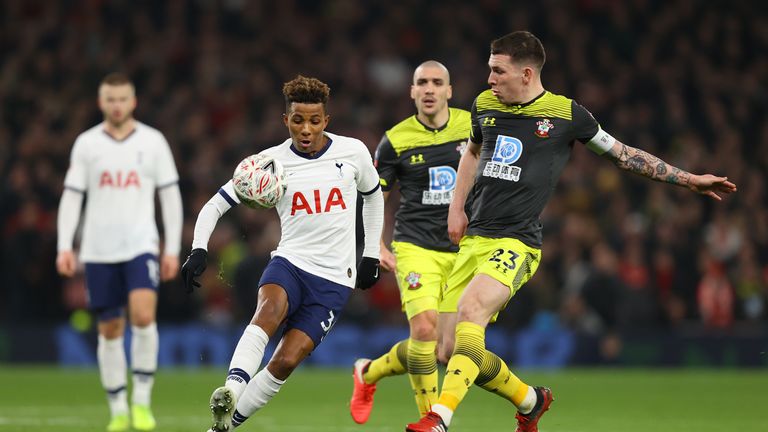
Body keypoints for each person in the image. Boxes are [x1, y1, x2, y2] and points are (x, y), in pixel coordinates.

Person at [406, 31, 737, 432]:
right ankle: (531, 401)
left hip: (517, 241)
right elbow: (473, 153)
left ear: (526, 73)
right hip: (474, 237)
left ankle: (439, 418)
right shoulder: (484, 105)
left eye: (498, 71)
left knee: (473, 310)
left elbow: (623, 155)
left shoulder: (567, 115)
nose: (489, 79)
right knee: (448, 349)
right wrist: (456, 209)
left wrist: (688, 181)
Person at [180, 75, 384, 432]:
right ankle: (230, 389)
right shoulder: (267, 163)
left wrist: (369, 253)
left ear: (326, 121)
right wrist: (199, 249)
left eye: (315, 121)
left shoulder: (353, 152)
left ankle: (225, 425)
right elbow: (215, 205)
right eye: (298, 120)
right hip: (290, 261)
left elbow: (373, 195)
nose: (306, 129)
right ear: (285, 120)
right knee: (268, 311)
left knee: (286, 361)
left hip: (335, 278)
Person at [56, 73, 183, 432]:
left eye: (122, 99)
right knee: (109, 328)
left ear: (133, 102)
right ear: (101, 102)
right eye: (109, 99)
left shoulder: (153, 142)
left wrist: (171, 248)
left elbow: (169, 195)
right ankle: (117, 408)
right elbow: (72, 196)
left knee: (143, 317)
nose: (116, 105)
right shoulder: (87, 144)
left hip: (141, 245)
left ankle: (141, 403)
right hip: (97, 250)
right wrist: (66, 245)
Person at [349, 61, 471, 423]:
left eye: (437, 82)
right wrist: (379, 245)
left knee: (447, 350)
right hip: (414, 245)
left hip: (464, 249)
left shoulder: (473, 126)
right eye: (422, 83)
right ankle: (431, 421)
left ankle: (368, 373)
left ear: (449, 90)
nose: (430, 89)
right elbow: (374, 197)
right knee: (423, 329)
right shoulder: (395, 140)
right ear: (412, 92)